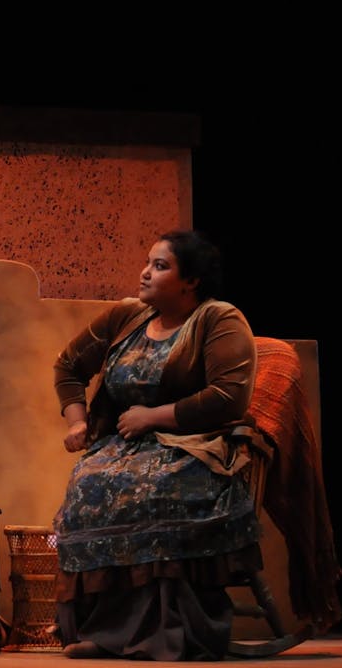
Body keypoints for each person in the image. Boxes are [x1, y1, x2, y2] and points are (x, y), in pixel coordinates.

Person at [50, 229, 262, 661]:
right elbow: (68, 365)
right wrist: (78, 422)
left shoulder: (218, 319)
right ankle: (102, 628)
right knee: (87, 483)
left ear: (191, 281)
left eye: (160, 266)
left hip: (196, 447)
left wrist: (153, 416)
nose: (145, 273)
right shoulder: (127, 316)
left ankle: (163, 630)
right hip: (122, 448)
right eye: (148, 262)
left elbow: (228, 395)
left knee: (153, 489)